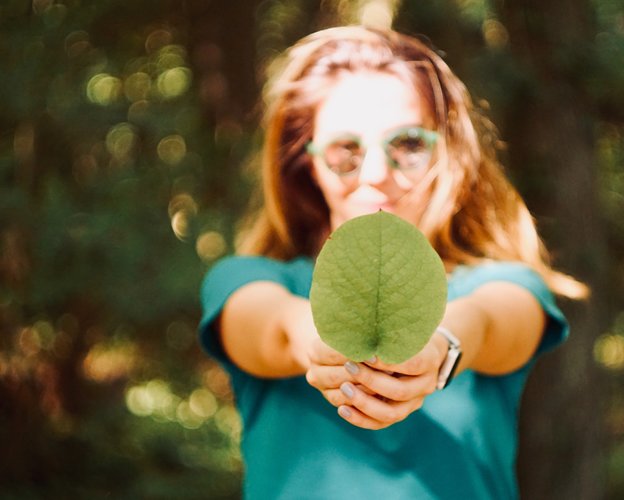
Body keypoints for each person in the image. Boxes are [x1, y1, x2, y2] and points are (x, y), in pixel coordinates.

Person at [198, 25, 586, 500]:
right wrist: (318, 342)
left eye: (408, 144)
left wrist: (440, 348)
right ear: (307, 163)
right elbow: (271, 327)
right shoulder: (247, 279)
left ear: (448, 153)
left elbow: (489, 323)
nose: (378, 174)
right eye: (346, 150)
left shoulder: (504, 284)